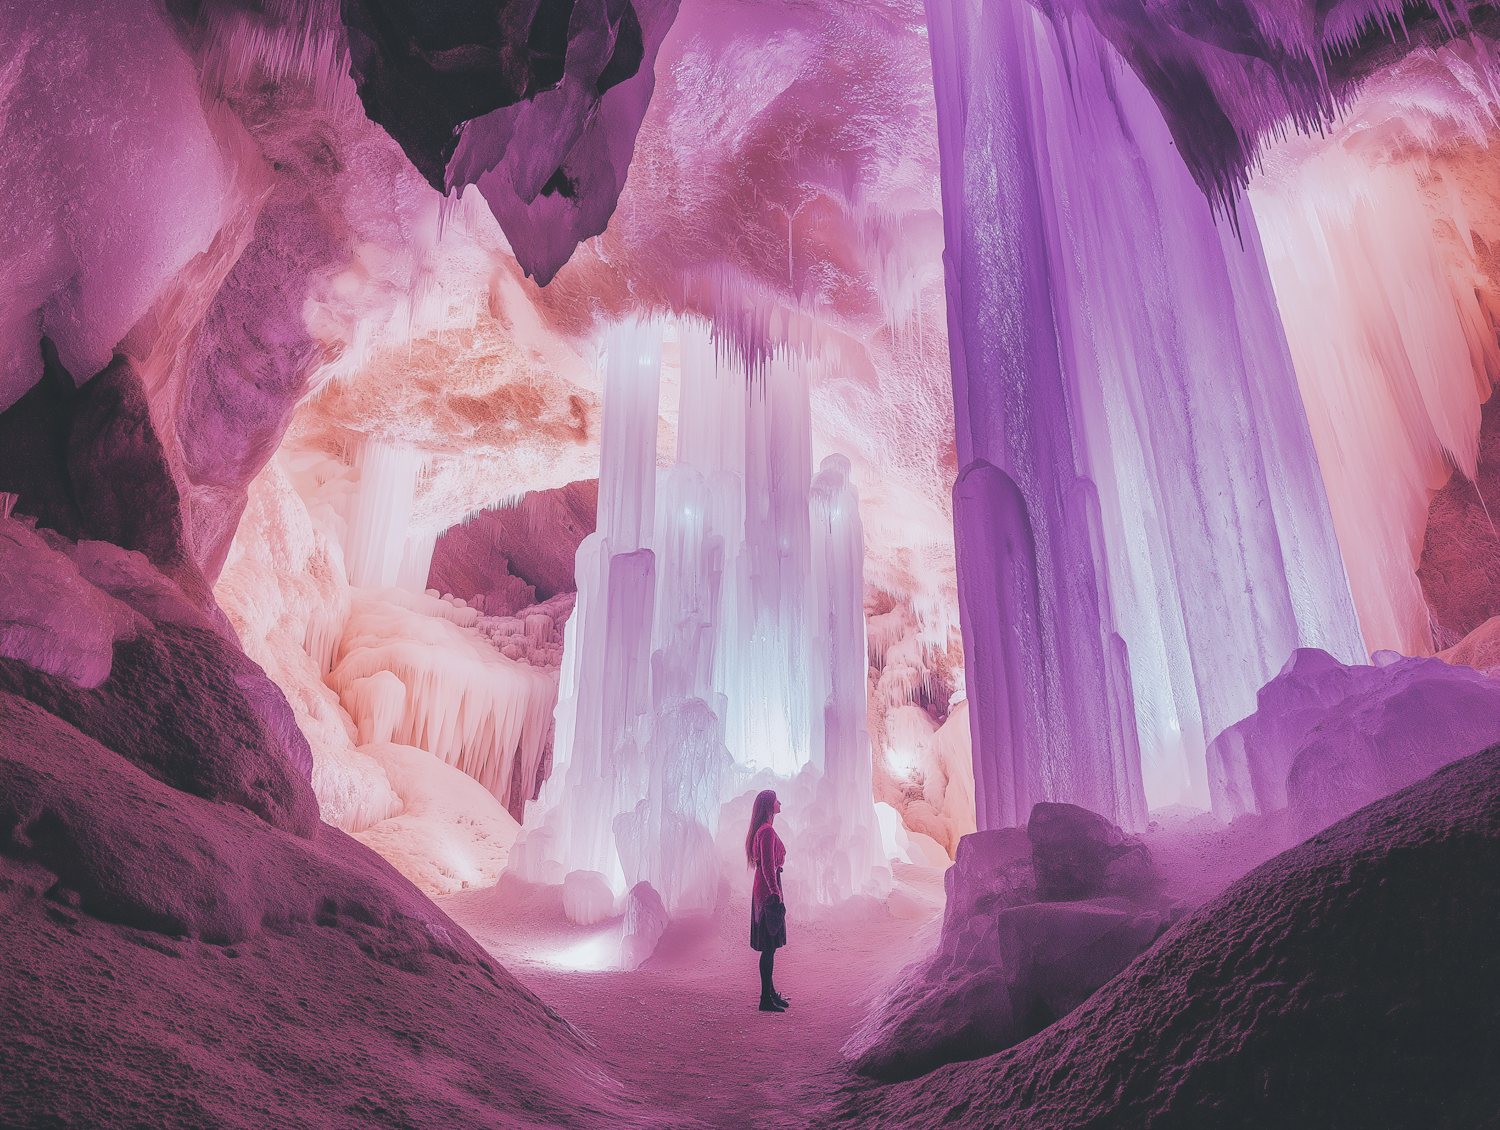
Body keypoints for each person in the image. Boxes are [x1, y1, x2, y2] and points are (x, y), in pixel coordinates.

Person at [746, 789, 790, 1012]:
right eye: (776, 800)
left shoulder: (763, 831)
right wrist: (775, 894)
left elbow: (766, 865)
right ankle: (765, 998)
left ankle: (771, 993)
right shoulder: (767, 832)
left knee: (770, 947)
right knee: (769, 947)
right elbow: (767, 867)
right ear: (769, 806)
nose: (779, 802)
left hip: (762, 891)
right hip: (767, 893)